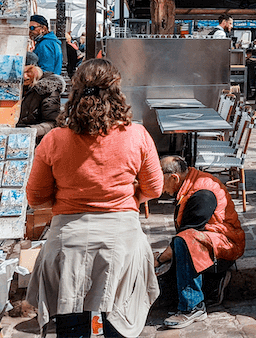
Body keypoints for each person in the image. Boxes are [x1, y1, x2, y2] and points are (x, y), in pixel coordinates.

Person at [26, 59, 162, 338]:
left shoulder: (54, 139)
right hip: (122, 242)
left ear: (75, 92)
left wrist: (69, 195)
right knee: (119, 322)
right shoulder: (137, 135)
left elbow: (36, 197)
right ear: (116, 92)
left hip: (67, 244)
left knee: (71, 325)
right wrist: (127, 195)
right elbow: (154, 188)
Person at [155, 156, 246, 328]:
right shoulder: (190, 183)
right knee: (181, 247)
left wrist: (160, 258)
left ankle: (192, 307)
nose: (158, 185)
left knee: (185, 241)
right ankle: (213, 284)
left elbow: (185, 236)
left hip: (227, 245)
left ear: (174, 178)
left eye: (160, 179)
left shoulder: (202, 193)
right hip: (213, 243)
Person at [16, 64, 63, 140]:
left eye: (27, 79)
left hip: (32, 137)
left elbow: (52, 123)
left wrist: (30, 130)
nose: (24, 77)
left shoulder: (48, 91)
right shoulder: (20, 88)